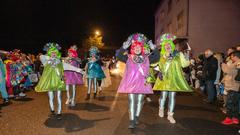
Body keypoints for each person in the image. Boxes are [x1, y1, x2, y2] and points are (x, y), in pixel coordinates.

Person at [116, 33, 160, 129]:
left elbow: (157, 57)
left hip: (142, 83)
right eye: (135, 47)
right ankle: (131, 121)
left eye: (139, 47)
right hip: (131, 83)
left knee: (140, 101)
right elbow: (119, 56)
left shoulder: (147, 58)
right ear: (133, 48)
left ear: (141, 48)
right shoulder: (128, 57)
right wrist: (124, 47)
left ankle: (136, 116)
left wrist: (154, 48)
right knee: (132, 101)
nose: (137, 49)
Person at [153, 33, 192, 124]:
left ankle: (170, 115)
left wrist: (187, 58)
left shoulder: (178, 55)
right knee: (163, 96)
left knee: (172, 97)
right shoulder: (161, 56)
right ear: (163, 47)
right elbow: (153, 64)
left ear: (172, 46)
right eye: (166, 45)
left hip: (174, 79)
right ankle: (161, 109)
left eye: (169, 45)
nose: (167, 46)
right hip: (164, 80)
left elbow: (184, 64)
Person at [35, 43, 65, 120]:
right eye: (52, 52)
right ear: (49, 53)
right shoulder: (46, 61)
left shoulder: (59, 62)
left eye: (55, 53)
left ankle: (59, 112)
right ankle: (52, 110)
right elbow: (41, 56)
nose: (54, 54)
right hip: (49, 82)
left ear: (57, 53)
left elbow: (62, 70)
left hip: (58, 81)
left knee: (58, 97)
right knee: (51, 97)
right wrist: (50, 56)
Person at [221, 51, 240, 125]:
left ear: (235, 56)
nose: (231, 58)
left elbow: (228, 71)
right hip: (235, 86)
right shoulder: (236, 63)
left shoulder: (237, 63)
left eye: (232, 56)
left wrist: (223, 65)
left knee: (230, 103)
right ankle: (235, 118)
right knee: (235, 103)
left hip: (233, 86)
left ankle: (229, 118)